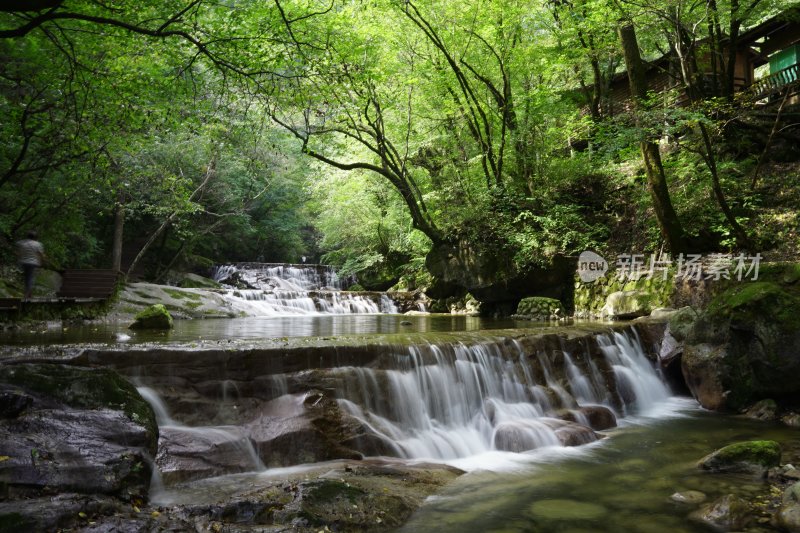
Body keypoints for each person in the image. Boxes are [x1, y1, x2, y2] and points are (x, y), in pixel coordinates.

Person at [16, 230, 45, 300]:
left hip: (23, 262)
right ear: (35, 237)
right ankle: (27, 294)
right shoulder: (38, 244)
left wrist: (19, 259)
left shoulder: (21, 243)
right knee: (30, 278)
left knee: (27, 278)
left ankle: (29, 294)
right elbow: (41, 255)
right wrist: (42, 262)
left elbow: (18, 253)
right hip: (33, 263)